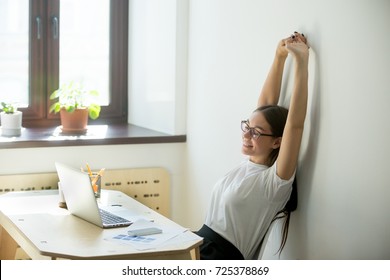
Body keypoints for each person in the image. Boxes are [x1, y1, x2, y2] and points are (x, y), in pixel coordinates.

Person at [195, 32, 310, 260]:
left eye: (255, 132)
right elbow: (264, 110)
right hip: (197, 246)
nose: (246, 134)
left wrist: (301, 61)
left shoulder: (274, 182)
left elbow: (294, 125)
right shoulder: (247, 165)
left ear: (277, 141)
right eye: (246, 126)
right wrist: (279, 57)